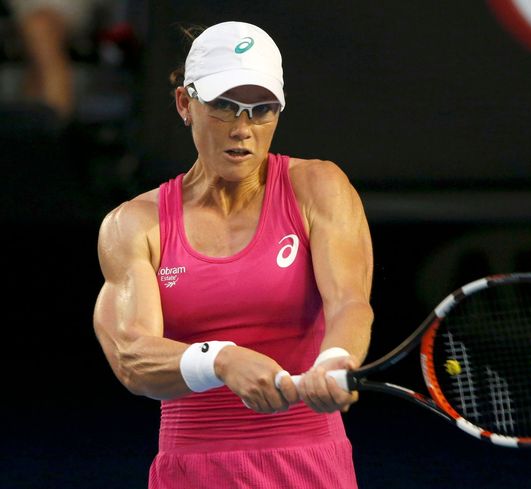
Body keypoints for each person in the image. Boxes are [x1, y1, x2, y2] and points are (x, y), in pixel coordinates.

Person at [93, 20, 374, 489]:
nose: (243, 129)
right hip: (191, 471)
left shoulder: (320, 187)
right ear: (186, 103)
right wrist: (219, 359)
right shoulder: (134, 223)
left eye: (261, 109)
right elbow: (132, 357)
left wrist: (335, 359)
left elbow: (349, 302)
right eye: (224, 106)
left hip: (311, 467)